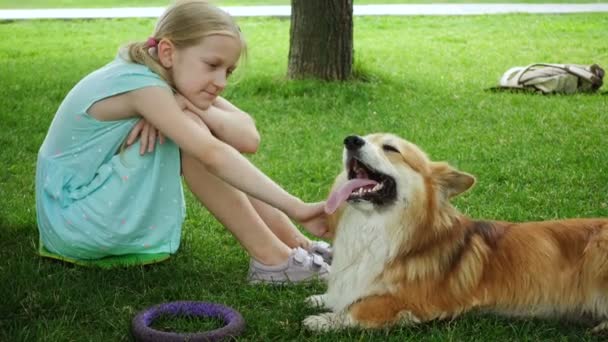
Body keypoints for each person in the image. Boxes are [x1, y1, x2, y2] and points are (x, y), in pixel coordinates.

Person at [35, 0, 331, 283]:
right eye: (212, 65)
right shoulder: (143, 86)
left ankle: (296, 245)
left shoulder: (163, 77)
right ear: (167, 52)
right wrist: (296, 206)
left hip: (79, 216)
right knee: (195, 137)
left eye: (227, 71)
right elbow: (212, 154)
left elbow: (248, 137)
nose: (221, 82)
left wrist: (185, 104)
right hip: (78, 220)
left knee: (195, 126)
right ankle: (272, 259)